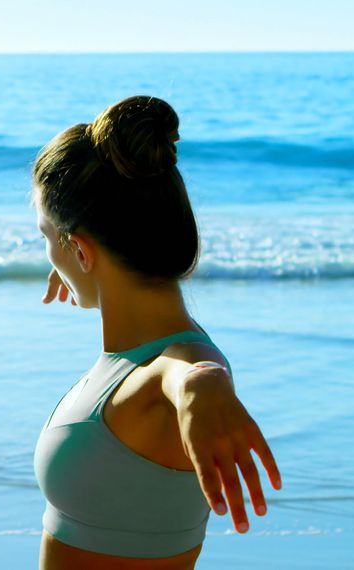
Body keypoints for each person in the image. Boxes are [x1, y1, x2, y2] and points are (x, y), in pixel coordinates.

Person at [30, 95, 282, 569]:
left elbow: (181, 371)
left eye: (46, 236)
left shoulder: (169, 370)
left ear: (81, 248)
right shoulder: (142, 348)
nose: (47, 252)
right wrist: (74, 263)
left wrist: (199, 385)